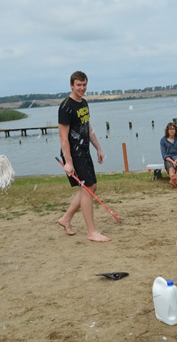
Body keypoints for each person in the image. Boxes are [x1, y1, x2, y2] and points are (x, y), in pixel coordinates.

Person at [56, 71, 110, 242]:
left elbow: (88, 127)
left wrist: (98, 148)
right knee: (87, 188)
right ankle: (92, 232)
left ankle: (66, 219)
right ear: (71, 85)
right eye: (78, 85)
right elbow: (63, 137)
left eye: (84, 84)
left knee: (91, 187)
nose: (82, 88)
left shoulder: (83, 103)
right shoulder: (66, 107)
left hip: (84, 150)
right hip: (73, 153)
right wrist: (68, 162)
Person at [160, 122, 177, 188]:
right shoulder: (163, 140)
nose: (172, 131)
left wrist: (176, 160)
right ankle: (173, 179)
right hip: (169, 158)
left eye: (173, 129)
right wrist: (172, 161)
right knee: (171, 168)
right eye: (170, 129)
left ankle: (176, 182)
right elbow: (164, 154)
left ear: (176, 130)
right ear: (167, 130)